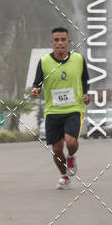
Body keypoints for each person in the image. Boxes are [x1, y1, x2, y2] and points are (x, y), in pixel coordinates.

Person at [30, 26, 90, 189]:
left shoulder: (78, 59)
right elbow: (37, 83)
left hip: (74, 108)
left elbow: (85, 80)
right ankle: (64, 176)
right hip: (53, 110)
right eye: (56, 40)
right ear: (52, 42)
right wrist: (35, 90)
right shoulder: (44, 62)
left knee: (70, 141)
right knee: (56, 149)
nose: (60, 43)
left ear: (68, 41)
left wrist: (86, 93)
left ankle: (71, 156)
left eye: (63, 39)